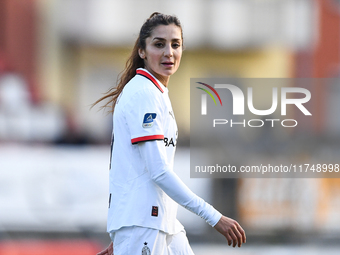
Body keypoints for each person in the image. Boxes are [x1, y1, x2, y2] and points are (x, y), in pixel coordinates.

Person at [95, 12, 246, 255]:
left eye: (175, 44)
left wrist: (127, 234)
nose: (169, 52)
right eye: (159, 44)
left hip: (157, 222)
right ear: (142, 51)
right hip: (144, 222)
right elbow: (158, 171)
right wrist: (214, 217)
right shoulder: (144, 93)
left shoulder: (154, 92)